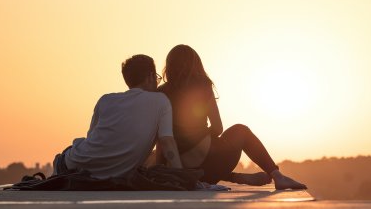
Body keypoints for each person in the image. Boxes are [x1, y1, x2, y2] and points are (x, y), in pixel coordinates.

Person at [157, 45, 306, 190]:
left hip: (179, 169)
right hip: (209, 164)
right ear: (196, 65)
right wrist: (202, 136)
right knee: (241, 131)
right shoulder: (203, 86)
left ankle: (237, 177)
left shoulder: (161, 92)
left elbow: (160, 137)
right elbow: (218, 127)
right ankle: (277, 176)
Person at [52, 54, 182, 179]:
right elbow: (167, 142)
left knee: (70, 153)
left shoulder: (105, 100)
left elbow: (93, 138)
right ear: (150, 76)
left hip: (78, 165)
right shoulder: (161, 101)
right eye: (157, 78)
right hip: (109, 173)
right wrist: (182, 177)